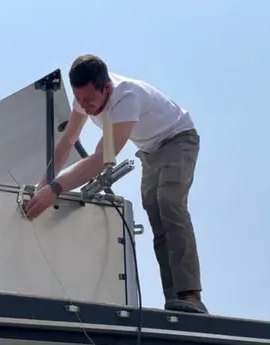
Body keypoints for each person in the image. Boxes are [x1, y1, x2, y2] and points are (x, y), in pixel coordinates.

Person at [23, 54, 208, 314]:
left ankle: (190, 295)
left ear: (106, 88)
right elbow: (67, 142)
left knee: (169, 203)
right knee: (155, 213)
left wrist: (55, 190)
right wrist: (42, 186)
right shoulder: (83, 99)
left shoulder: (125, 99)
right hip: (150, 151)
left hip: (177, 139)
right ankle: (175, 300)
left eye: (89, 99)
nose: (84, 106)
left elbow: (102, 158)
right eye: (80, 99)